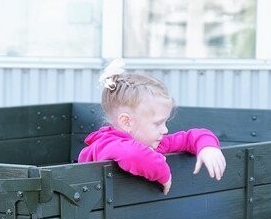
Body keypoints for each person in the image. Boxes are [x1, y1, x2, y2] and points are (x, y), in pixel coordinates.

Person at [78, 59, 226, 194]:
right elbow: (132, 154)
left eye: (165, 122)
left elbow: (190, 137)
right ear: (127, 122)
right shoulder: (105, 144)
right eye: (157, 123)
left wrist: (207, 147)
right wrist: (164, 174)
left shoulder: (155, 143)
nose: (165, 130)